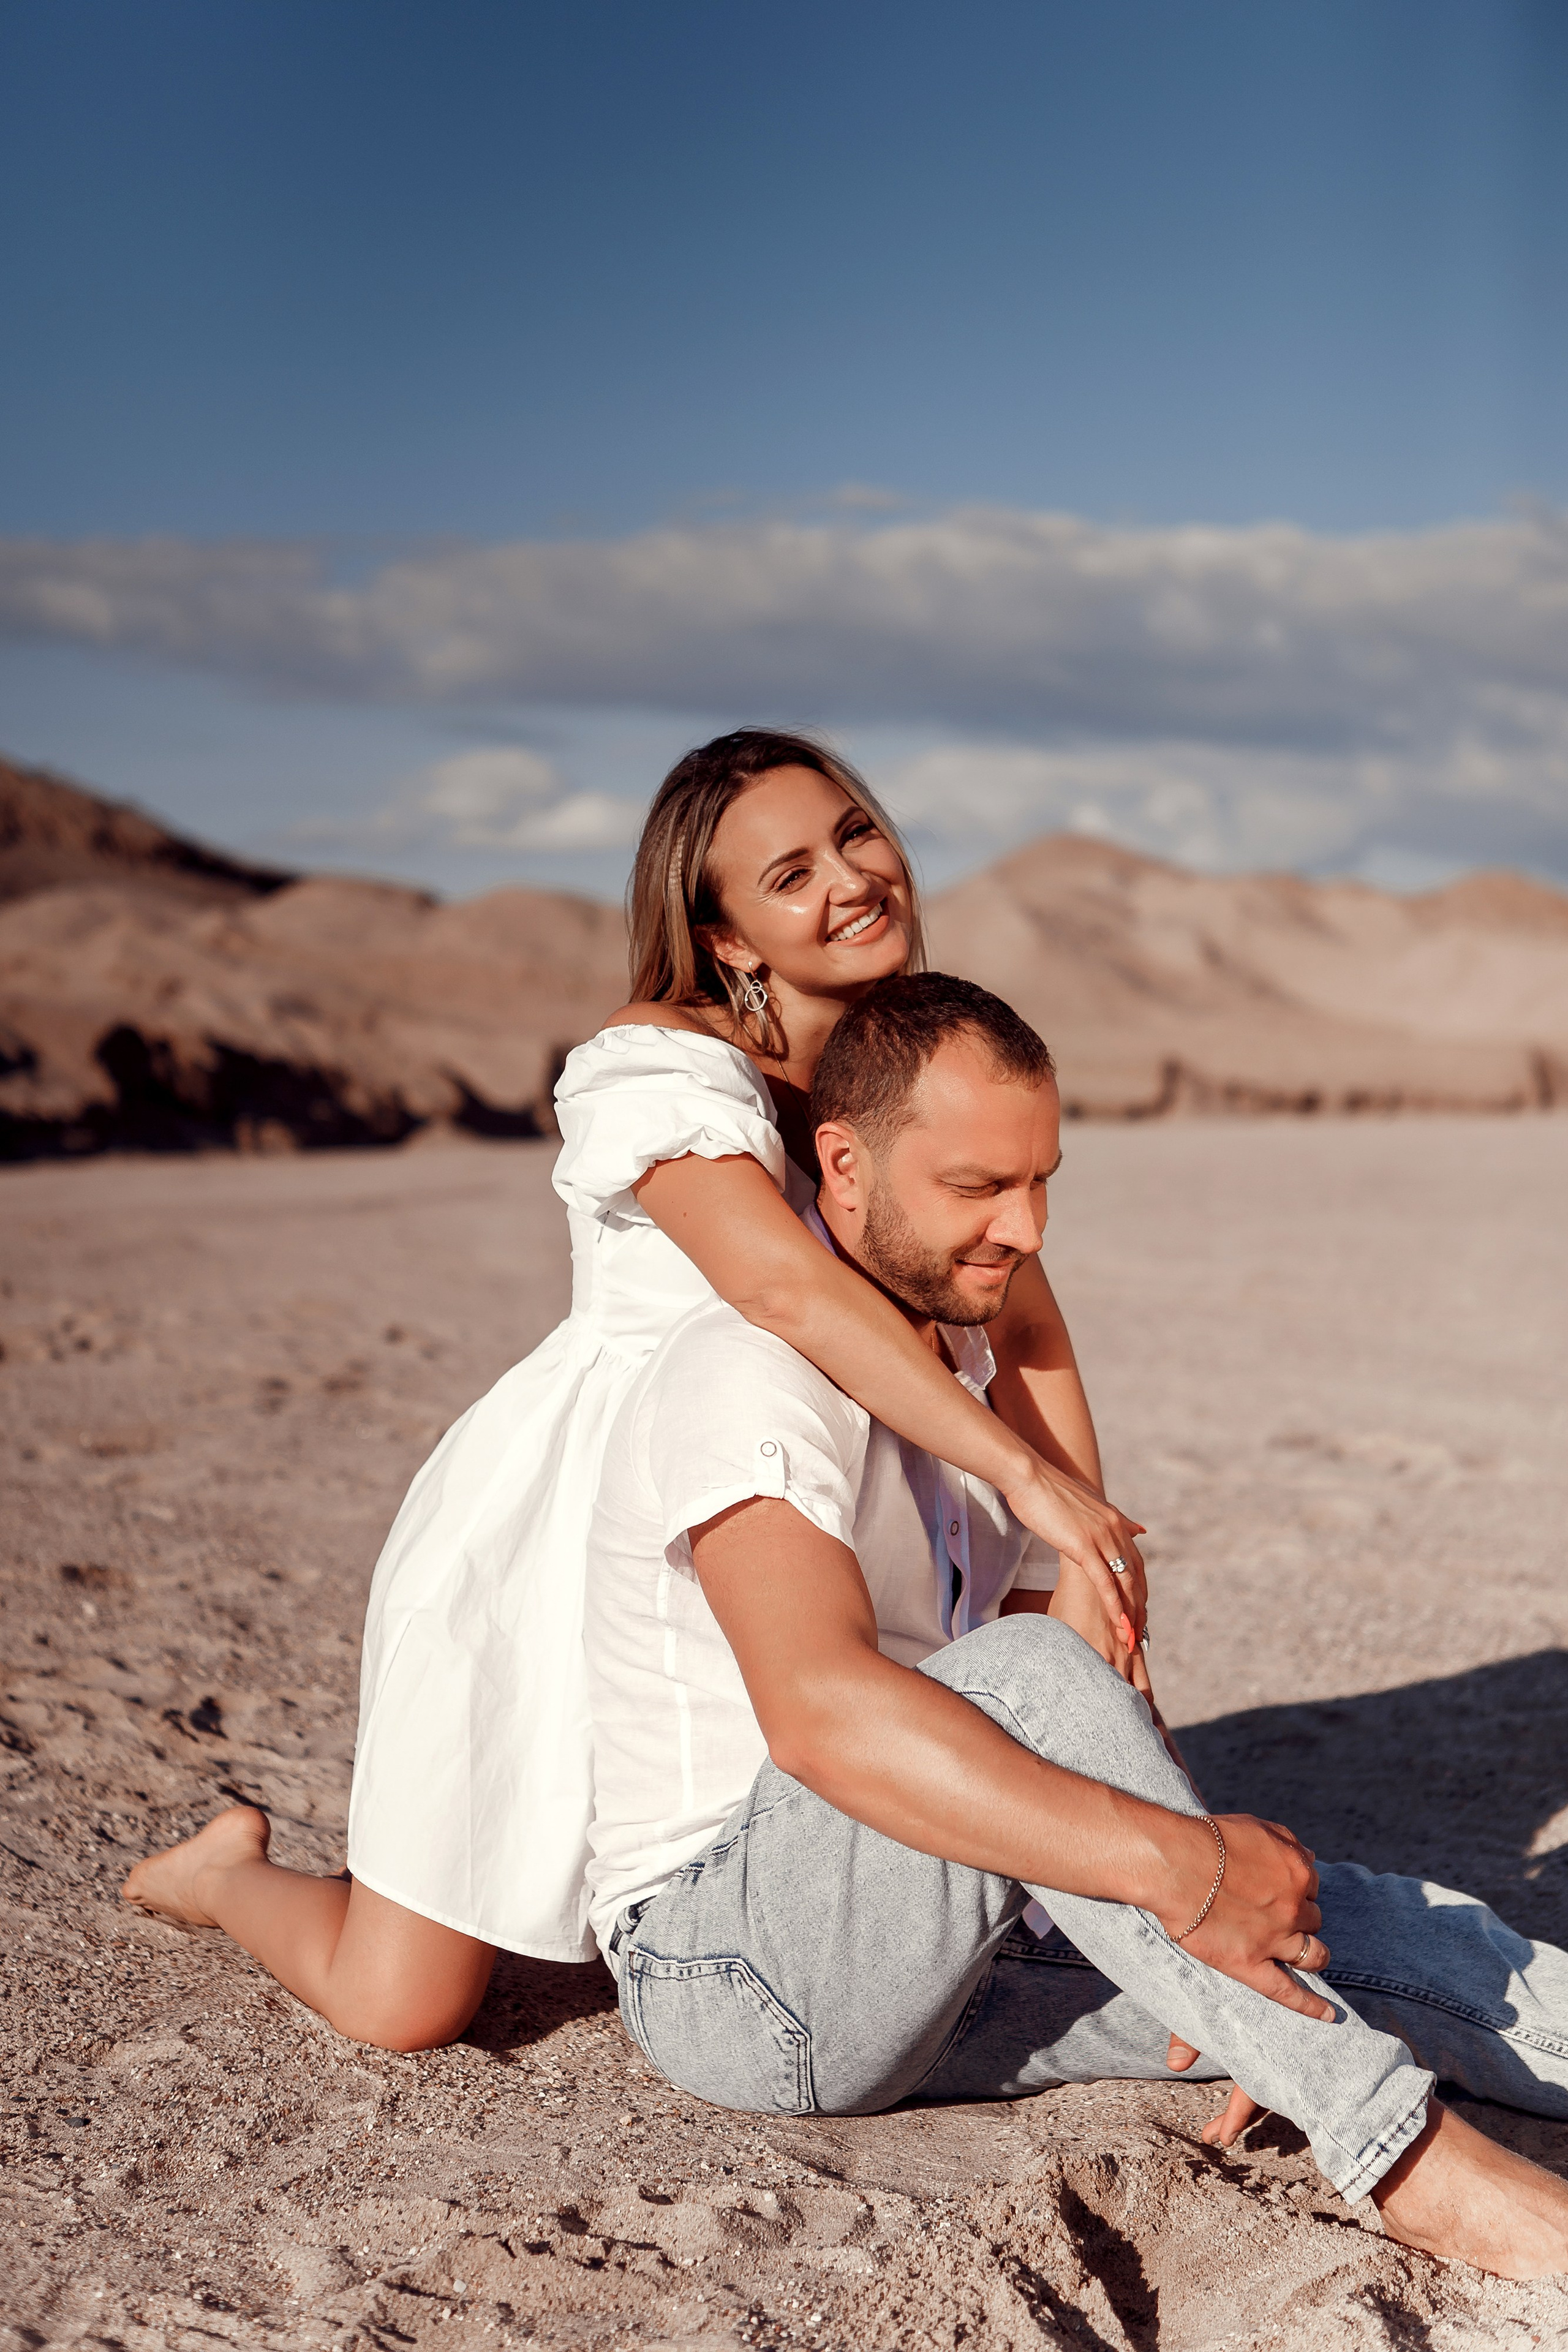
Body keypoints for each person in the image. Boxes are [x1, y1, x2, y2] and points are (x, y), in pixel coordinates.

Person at [123, 730, 1147, 2050]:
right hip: (571, 1525)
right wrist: (1019, 1480)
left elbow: (1023, 1307)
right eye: (787, 873)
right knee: (407, 2003)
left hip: (781, 1500)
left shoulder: (901, 1062)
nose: (847, 878)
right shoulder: (656, 1068)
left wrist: (1080, 1545)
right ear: (721, 933)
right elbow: (782, 1291)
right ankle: (225, 1876)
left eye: (853, 834)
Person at [586, 971, 1568, 2282]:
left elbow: (1079, 1724)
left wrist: (1191, 1949)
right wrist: (1175, 1874)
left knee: (1402, 1938)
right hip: (740, 1971)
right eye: (977, 1187)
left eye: (1041, 1181)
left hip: (954, 1918)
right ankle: (1404, 2163)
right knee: (1032, 1673)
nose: (1023, 1225)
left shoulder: (962, 1372)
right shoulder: (744, 1375)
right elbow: (820, 1713)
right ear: (843, 1164)